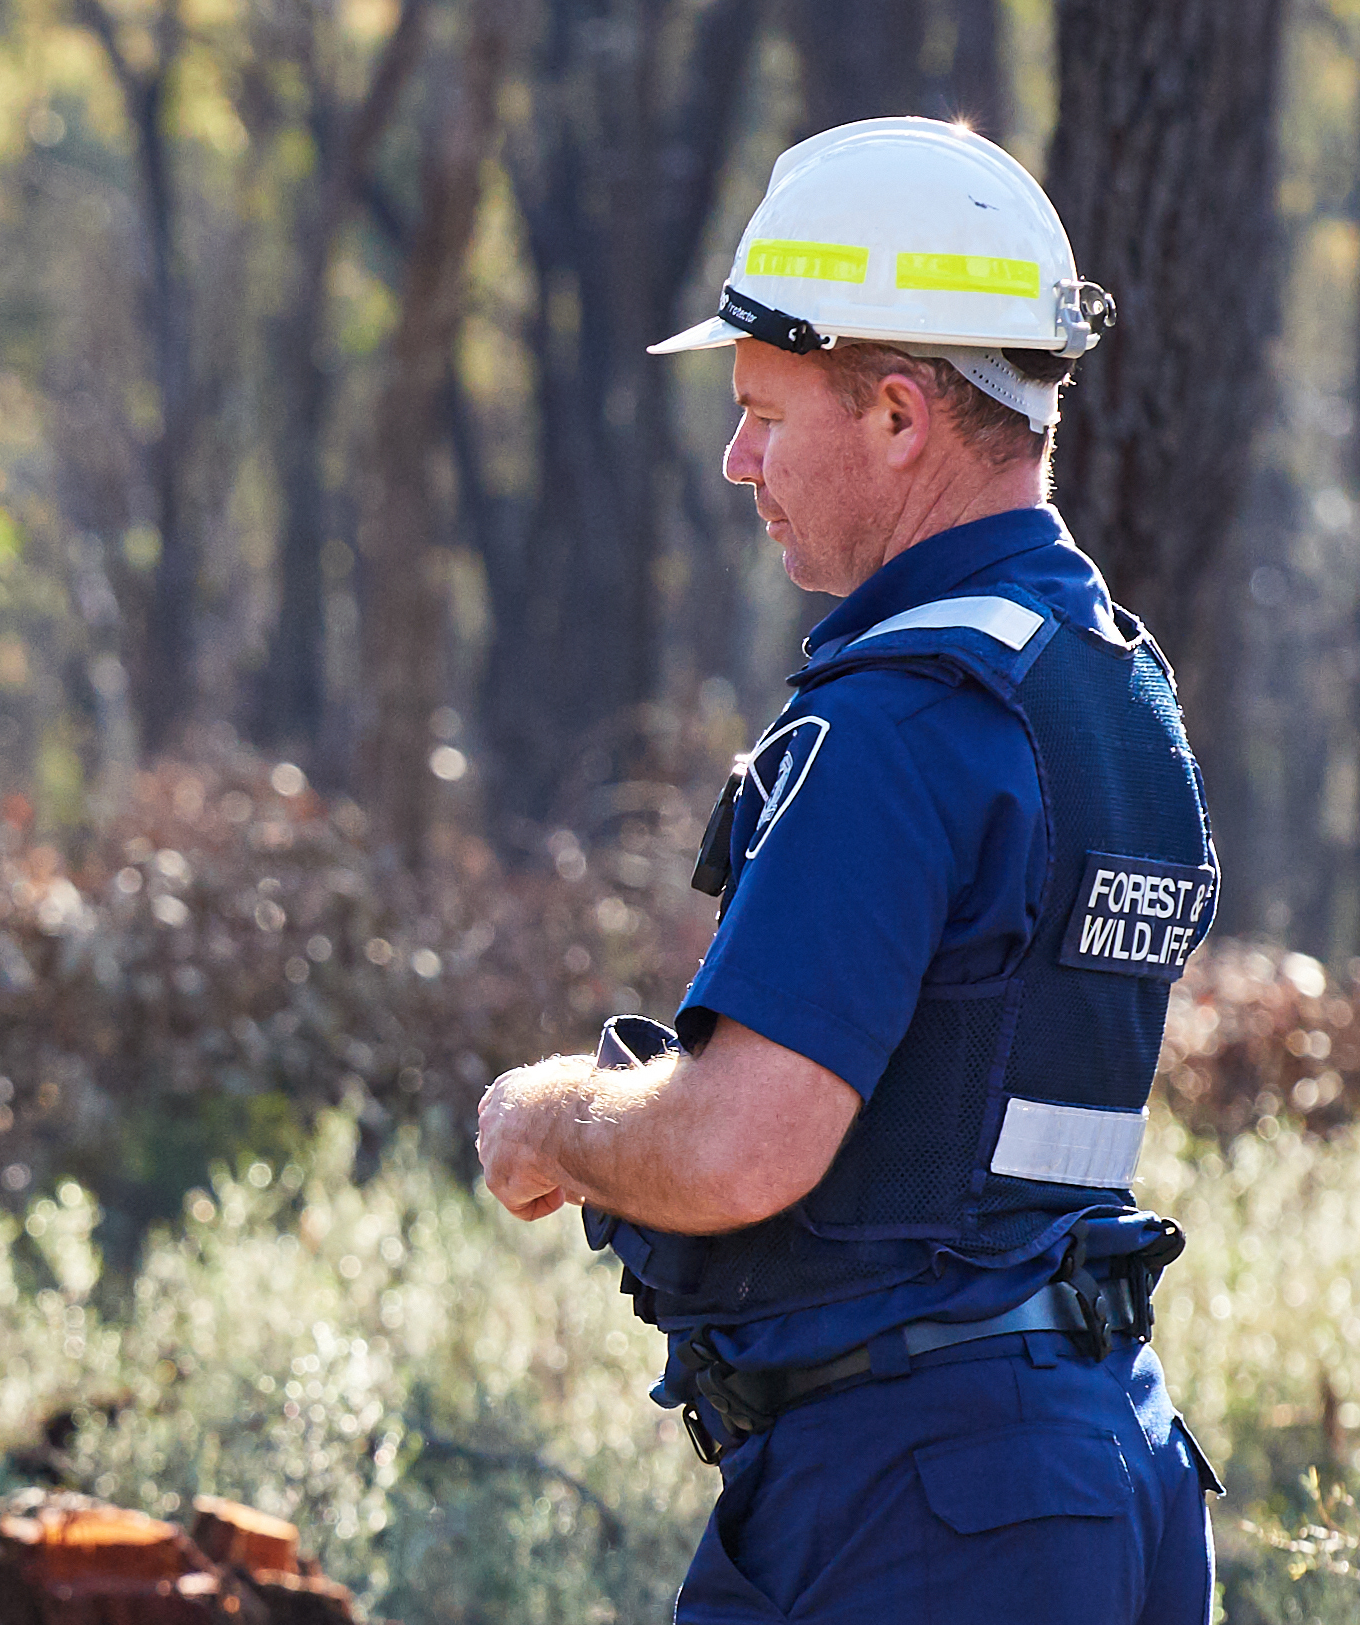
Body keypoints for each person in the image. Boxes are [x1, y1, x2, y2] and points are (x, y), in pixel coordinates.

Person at [472, 117, 1216, 1623]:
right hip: (1103, 1473)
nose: (737, 459)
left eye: (763, 410)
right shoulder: (1110, 684)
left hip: (915, 1501)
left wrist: (545, 1113)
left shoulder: (900, 718)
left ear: (895, 416)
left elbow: (743, 1148)